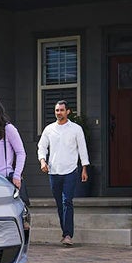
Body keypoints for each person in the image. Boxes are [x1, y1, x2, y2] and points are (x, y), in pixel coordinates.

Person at [37, 100, 89, 247]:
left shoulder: (76, 129)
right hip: (53, 172)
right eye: (57, 110)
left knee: (67, 201)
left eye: (61, 110)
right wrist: (42, 161)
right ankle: (65, 232)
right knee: (60, 204)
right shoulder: (49, 129)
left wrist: (84, 168)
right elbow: (42, 146)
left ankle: (67, 235)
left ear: (68, 112)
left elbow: (82, 148)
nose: (59, 113)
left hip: (70, 171)